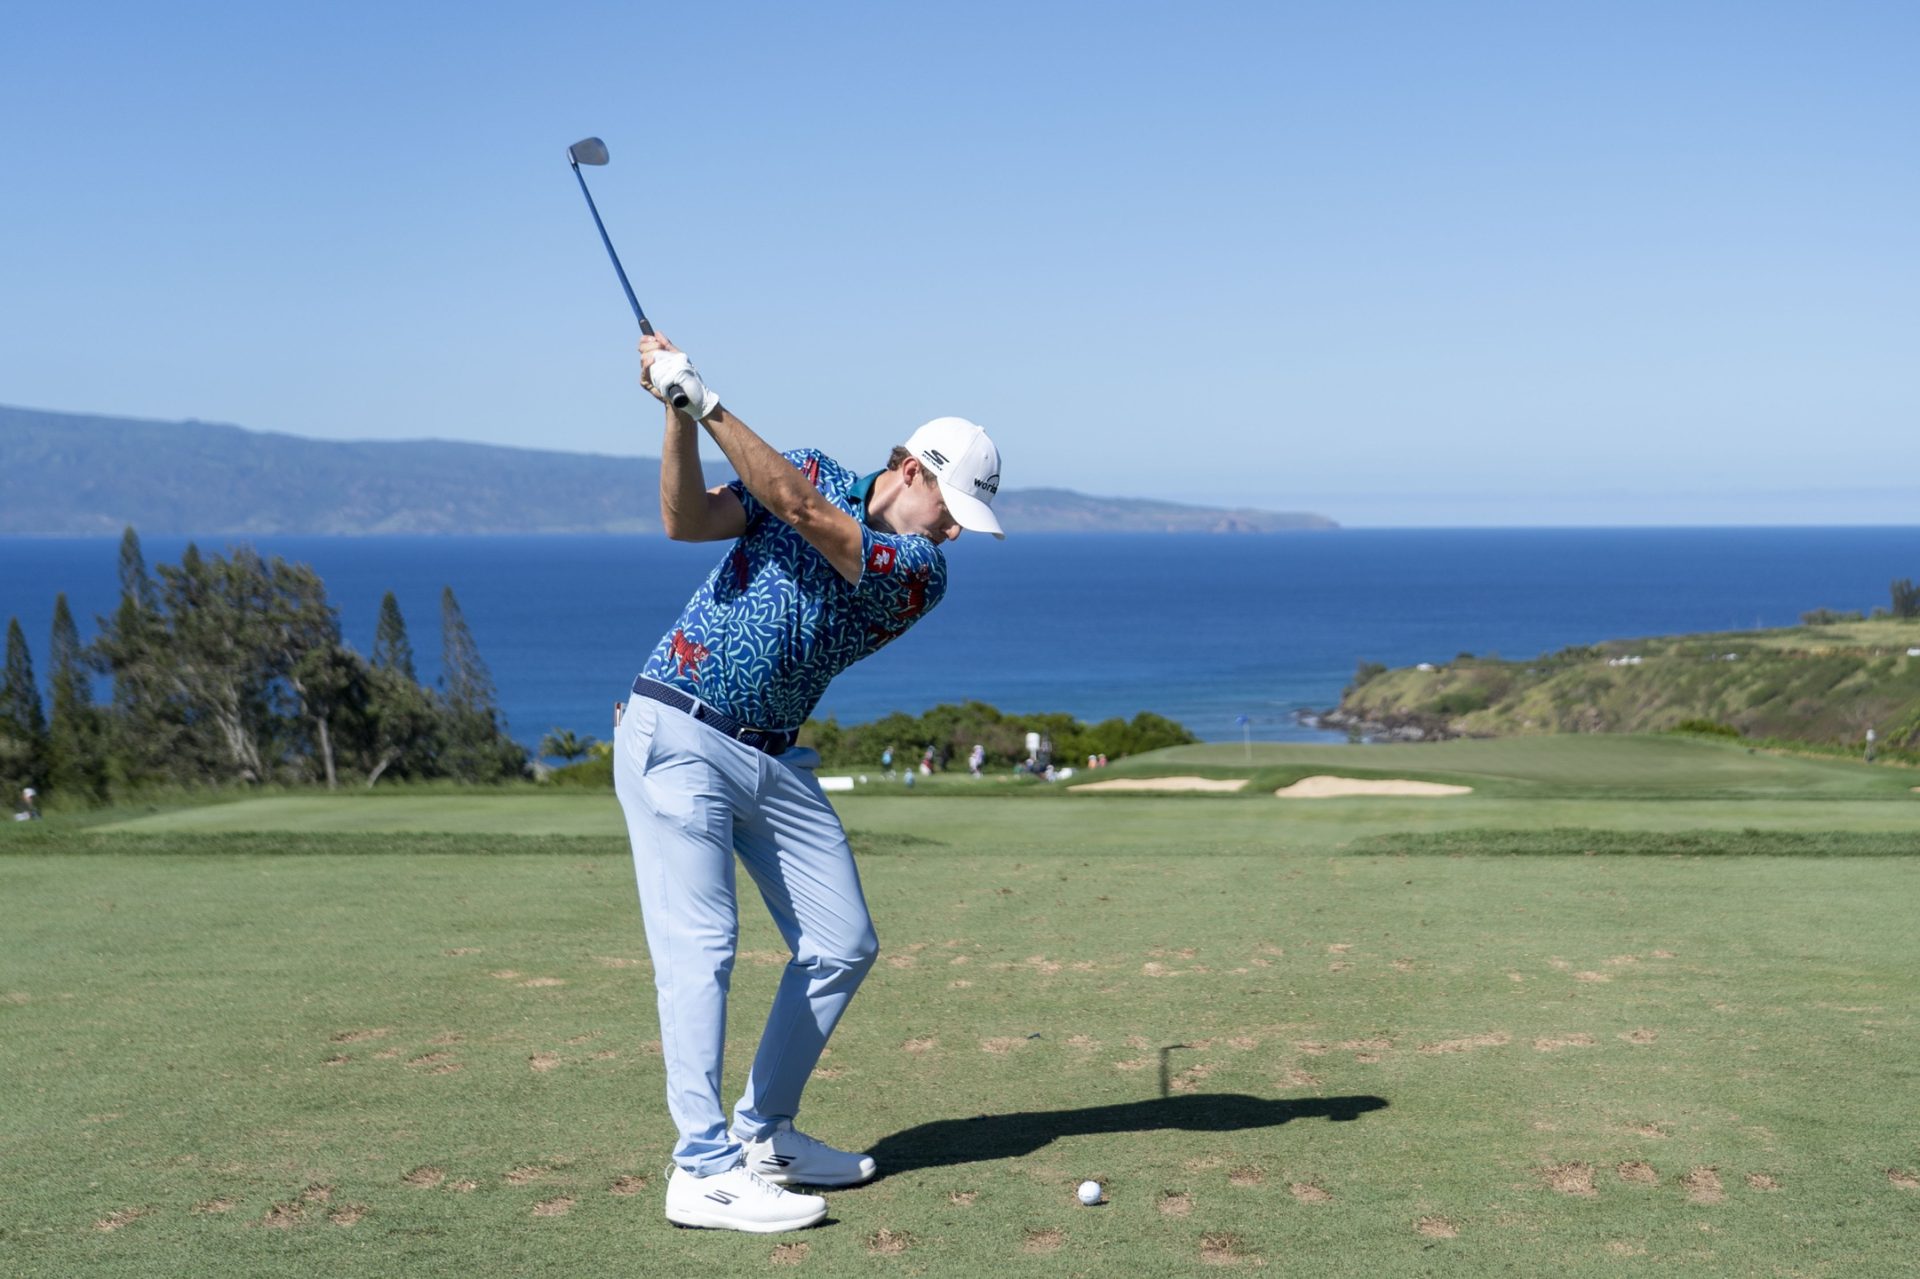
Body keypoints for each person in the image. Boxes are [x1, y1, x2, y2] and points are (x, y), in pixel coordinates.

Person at [613, 333, 1005, 1233]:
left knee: (843, 940)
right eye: (949, 507)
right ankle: (702, 1168)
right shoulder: (819, 465)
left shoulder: (918, 573)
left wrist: (706, 400)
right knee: (702, 945)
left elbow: (804, 513)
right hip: (678, 724)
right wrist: (679, 419)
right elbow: (687, 520)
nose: (953, 530)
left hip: (772, 758)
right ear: (908, 468)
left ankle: (763, 1135)